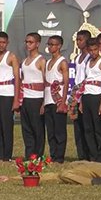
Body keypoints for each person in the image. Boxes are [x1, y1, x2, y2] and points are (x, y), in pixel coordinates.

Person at [0, 32, 20, 162]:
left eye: (3, 42)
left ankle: (7, 155)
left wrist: (16, 99)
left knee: (6, 125)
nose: (1, 45)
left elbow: (17, 78)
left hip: (7, 93)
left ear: (7, 43)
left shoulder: (11, 57)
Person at [77, 38, 101, 163]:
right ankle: (92, 155)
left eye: (95, 50)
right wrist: (81, 101)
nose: (93, 52)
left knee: (98, 128)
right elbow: (85, 81)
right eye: (90, 50)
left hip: (97, 95)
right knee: (88, 128)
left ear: (99, 49)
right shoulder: (88, 62)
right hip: (87, 95)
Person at [0, 163, 101, 185]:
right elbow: (42, 176)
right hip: (76, 172)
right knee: (63, 175)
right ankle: (94, 183)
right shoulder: (62, 171)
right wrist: (11, 178)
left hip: (87, 164)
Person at [43, 35, 70, 163]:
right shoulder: (48, 62)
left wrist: (63, 102)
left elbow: (66, 83)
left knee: (59, 130)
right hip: (48, 100)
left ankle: (59, 156)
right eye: (48, 44)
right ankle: (53, 155)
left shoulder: (62, 62)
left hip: (58, 100)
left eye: (52, 44)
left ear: (59, 46)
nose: (50, 47)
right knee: (51, 131)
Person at [20, 33, 47, 158]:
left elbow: (46, 82)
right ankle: (29, 154)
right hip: (26, 98)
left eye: (30, 42)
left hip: (37, 98)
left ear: (37, 44)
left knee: (38, 129)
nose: (28, 44)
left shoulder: (41, 61)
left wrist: (44, 102)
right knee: (27, 129)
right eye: (26, 42)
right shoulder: (24, 61)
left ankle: (38, 155)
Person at [69, 30, 92, 161]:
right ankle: (81, 154)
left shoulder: (90, 57)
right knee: (77, 124)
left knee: (87, 125)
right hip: (76, 92)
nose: (78, 42)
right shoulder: (77, 58)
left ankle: (89, 154)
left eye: (80, 40)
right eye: (77, 40)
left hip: (85, 92)